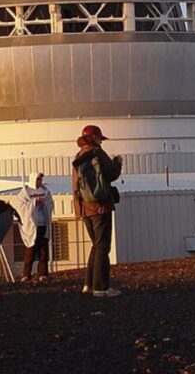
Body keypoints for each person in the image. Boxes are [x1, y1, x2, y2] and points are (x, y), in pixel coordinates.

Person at [72, 124, 123, 297]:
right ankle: (101, 288)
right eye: (100, 138)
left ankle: (89, 284)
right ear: (95, 138)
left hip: (84, 208)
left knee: (96, 246)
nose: (101, 142)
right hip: (100, 207)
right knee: (102, 247)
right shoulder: (97, 153)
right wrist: (118, 163)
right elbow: (111, 174)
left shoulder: (79, 156)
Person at [15, 172, 54, 282]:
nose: (39, 182)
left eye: (41, 180)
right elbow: (21, 207)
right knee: (30, 251)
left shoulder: (45, 191)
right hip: (32, 227)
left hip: (43, 225)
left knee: (43, 251)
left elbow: (50, 204)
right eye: (37, 180)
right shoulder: (25, 192)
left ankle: (43, 273)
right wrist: (34, 202)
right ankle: (26, 274)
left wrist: (44, 204)